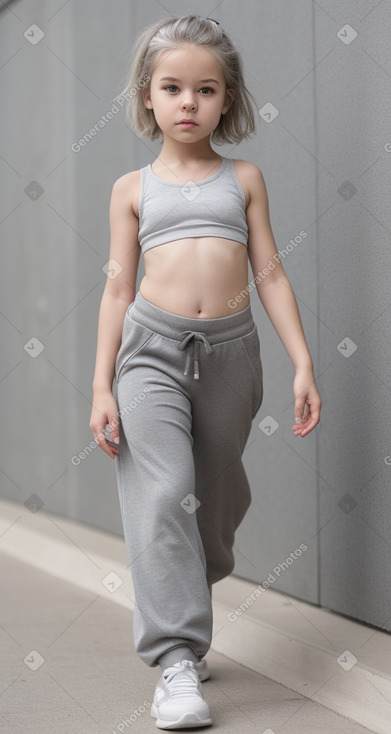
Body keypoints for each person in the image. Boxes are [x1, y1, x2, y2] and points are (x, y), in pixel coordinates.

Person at [89, 14, 322, 730]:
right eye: (172, 88)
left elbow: (271, 274)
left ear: (227, 99)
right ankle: (176, 662)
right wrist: (101, 383)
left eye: (206, 89)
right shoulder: (131, 188)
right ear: (148, 97)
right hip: (149, 353)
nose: (188, 101)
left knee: (212, 503)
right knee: (165, 496)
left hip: (231, 355)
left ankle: (194, 572)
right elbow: (117, 288)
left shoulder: (243, 178)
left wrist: (303, 363)